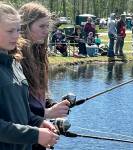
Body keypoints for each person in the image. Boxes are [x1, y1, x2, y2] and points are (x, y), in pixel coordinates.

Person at [0, 2, 59, 150]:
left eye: (18, 30)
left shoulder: (15, 63)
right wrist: (35, 135)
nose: (16, 36)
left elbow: (23, 112)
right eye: (10, 31)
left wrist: (38, 122)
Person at [19, 2, 70, 150]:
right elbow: (14, 106)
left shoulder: (38, 54)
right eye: (42, 26)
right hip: (23, 137)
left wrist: (50, 104)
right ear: (25, 26)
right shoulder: (16, 59)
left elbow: (36, 95)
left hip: (38, 132)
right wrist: (46, 113)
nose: (46, 31)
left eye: (47, 26)